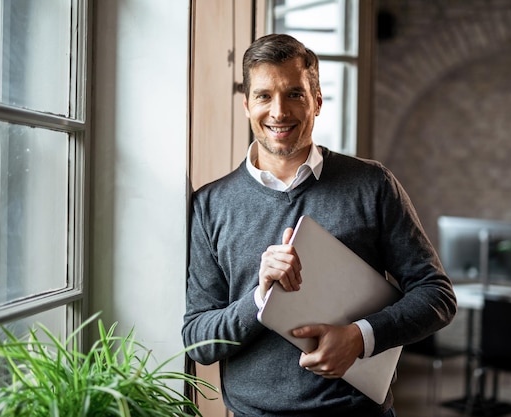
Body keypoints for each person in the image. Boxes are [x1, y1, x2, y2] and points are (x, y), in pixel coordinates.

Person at [182, 34, 457, 417]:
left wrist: (359, 338)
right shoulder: (210, 205)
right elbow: (198, 343)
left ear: (317, 102)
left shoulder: (372, 184)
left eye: (294, 94)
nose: (278, 111)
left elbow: (437, 296)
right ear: (247, 106)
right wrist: (260, 299)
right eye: (263, 96)